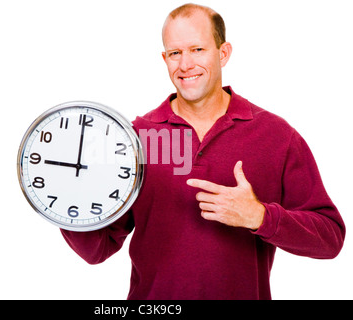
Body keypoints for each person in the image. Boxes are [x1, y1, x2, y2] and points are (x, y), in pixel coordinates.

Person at [61, 3, 345, 299]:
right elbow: (98, 249)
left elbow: (330, 239)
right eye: (175, 53)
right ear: (165, 58)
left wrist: (259, 216)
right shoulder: (135, 139)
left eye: (197, 49)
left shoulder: (276, 136)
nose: (185, 65)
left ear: (223, 53)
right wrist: (67, 197)